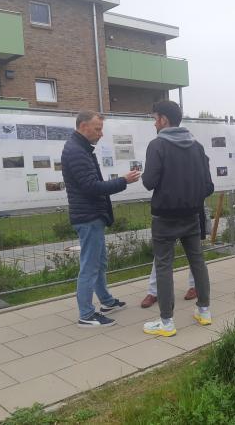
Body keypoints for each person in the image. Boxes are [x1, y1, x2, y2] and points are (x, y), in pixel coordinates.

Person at [61, 111, 141, 328]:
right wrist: (123, 181)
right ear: (83, 126)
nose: (101, 133)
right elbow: (91, 187)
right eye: (97, 129)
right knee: (90, 266)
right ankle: (86, 315)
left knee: (99, 262)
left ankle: (106, 302)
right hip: (88, 217)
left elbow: (90, 184)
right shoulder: (76, 151)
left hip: (92, 215)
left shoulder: (81, 149)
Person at [141, 100, 214, 337]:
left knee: (164, 266)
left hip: (164, 217)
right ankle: (204, 311)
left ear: (163, 119)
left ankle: (167, 323)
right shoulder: (197, 147)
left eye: (155, 118)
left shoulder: (157, 146)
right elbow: (208, 186)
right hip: (192, 215)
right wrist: (191, 198)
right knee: (197, 262)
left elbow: (149, 182)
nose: (154, 123)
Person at [140, 209, 207, 308]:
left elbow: (207, 192)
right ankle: (153, 292)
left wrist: (196, 199)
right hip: (166, 215)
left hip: (191, 213)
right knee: (161, 258)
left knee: (196, 256)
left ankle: (195, 287)